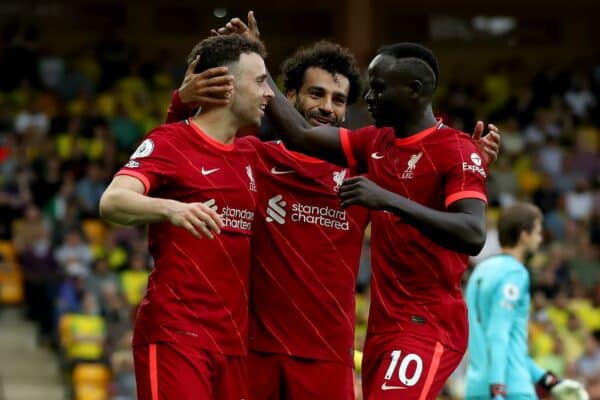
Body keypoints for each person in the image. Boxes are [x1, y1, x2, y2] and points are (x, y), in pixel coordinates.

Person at [168, 35, 500, 399]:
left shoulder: (366, 169)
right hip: (262, 348)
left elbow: (461, 219)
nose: (330, 107)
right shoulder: (262, 157)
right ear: (289, 97)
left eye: (340, 99)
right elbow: (186, 156)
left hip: (348, 352)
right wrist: (191, 97)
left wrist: (469, 160)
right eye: (316, 94)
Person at [99, 34, 274, 400]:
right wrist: (173, 208)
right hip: (177, 335)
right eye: (260, 81)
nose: (269, 93)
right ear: (226, 85)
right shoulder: (171, 142)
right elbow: (113, 201)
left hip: (234, 343)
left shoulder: (253, 155)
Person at [465, 203, 588, 400]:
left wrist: (551, 382)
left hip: (476, 388)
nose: (540, 239)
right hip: (510, 389)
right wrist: (498, 389)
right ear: (524, 235)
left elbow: (512, 352)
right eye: (538, 232)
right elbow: (498, 334)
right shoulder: (515, 272)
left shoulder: (479, 272)